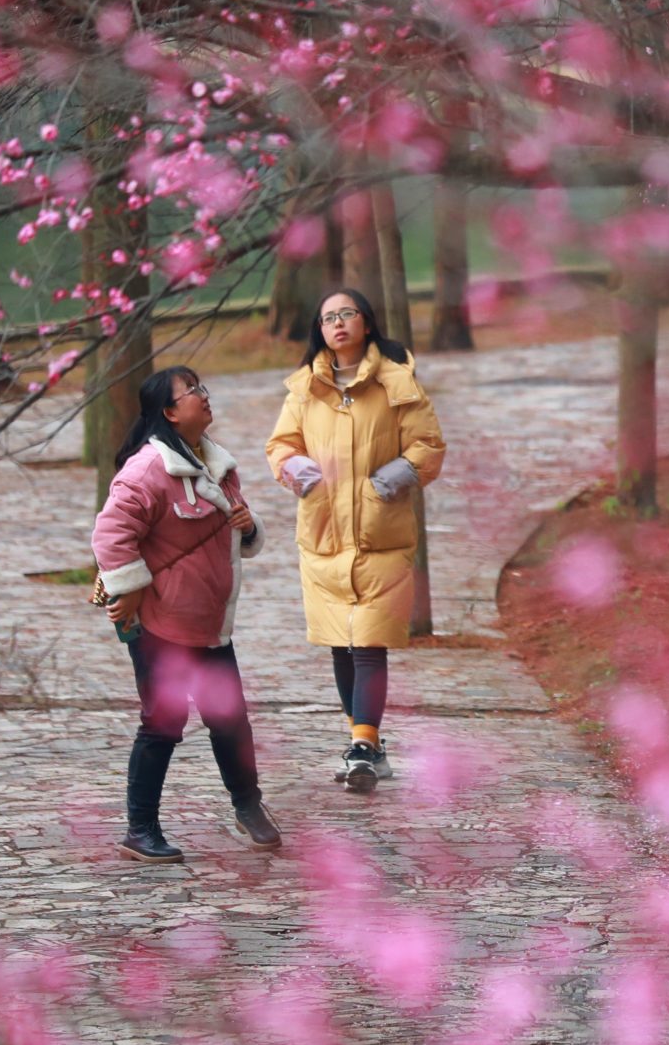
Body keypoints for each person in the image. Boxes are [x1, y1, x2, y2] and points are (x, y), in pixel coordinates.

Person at [93, 365, 280, 860]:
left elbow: (234, 526)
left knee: (231, 719)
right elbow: (110, 536)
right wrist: (129, 589)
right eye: (193, 391)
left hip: (209, 624)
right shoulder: (146, 469)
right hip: (161, 626)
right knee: (163, 724)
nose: (204, 396)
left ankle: (249, 806)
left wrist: (247, 523)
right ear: (170, 412)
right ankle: (141, 829)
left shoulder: (215, 462)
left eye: (203, 387)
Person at [266, 286, 446, 792]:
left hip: (380, 533)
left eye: (347, 314)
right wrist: (298, 469)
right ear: (319, 330)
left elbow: (428, 443)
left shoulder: (396, 381)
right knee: (340, 644)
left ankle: (363, 746)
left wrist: (392, 477)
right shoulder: (303, 388)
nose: (338, 323)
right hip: (323, 534)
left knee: (369, 641)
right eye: (328, 318)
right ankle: (366, 744)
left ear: (366, 322)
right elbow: (281, 444)